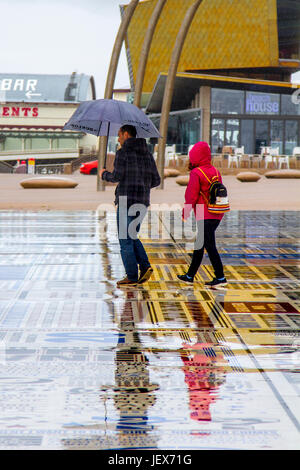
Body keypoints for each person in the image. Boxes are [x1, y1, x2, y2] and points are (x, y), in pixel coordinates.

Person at [99, 125, 161, 287]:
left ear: (126, 134)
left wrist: (104, 174)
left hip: (126, 200)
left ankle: (132, 276)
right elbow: (156, 180)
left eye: (119, 135)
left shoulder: (123, 152)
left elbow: (117, 176)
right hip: (142, 200)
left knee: (125, 239)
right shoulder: (147, 153)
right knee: (132, 235)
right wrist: (142, 184)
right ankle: (145, 266)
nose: (118, 139)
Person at [178, 141, 227, 289]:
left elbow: (191, 195)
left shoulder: (196, 173)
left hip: (203, 214)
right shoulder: (215, 171)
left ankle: (220, 277)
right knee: (200, 244)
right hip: (217, 213)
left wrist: (185, 212)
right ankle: (189, 276)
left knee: (210, 245)